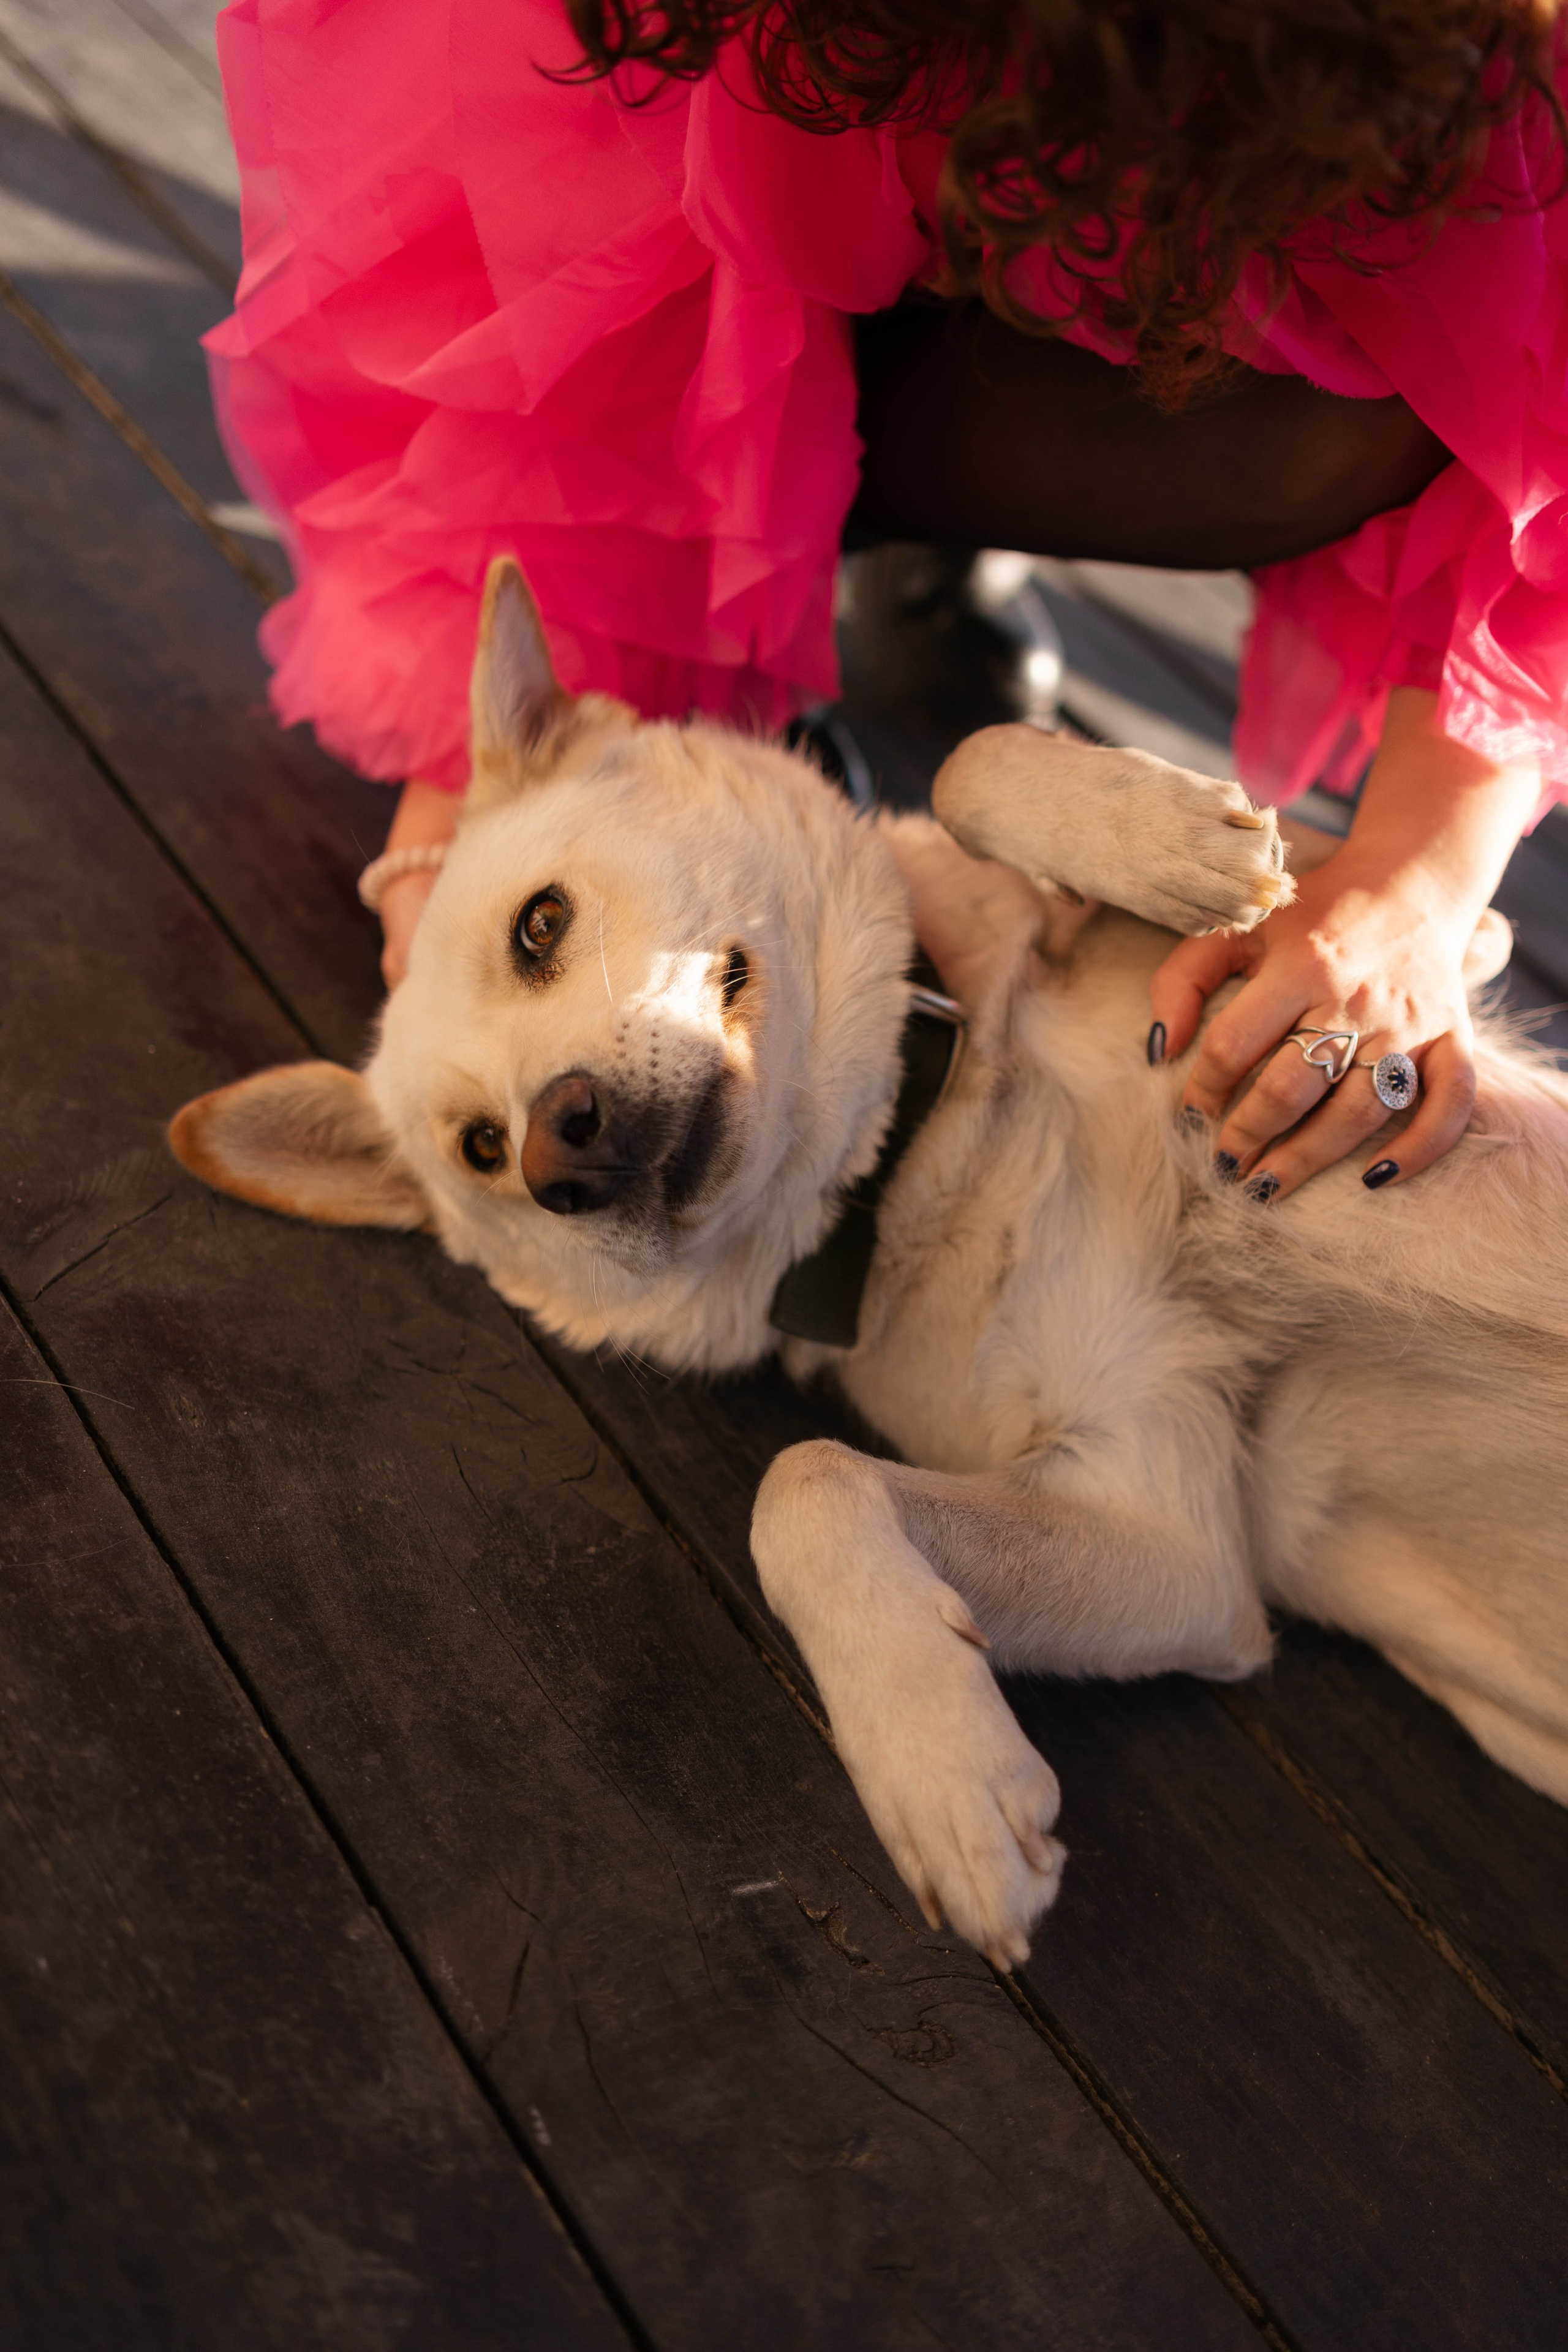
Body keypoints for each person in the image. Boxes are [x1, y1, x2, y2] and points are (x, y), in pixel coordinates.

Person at [206, 0, 1567, 1201]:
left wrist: (1415, 874)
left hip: (1265, 209)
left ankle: (990, 455)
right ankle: (845, 496)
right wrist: (488, 776)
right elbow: (531, 286)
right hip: (782, 179)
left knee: (1333, 431)